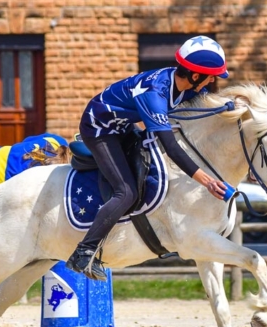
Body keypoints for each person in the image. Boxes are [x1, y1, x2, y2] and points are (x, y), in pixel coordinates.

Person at [66, 35, 230, 281]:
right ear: (195, 76)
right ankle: (84, 252)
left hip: (122, 126)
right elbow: (172, 148)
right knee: (126, 192)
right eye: (211, 76)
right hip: (100, 129)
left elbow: (202, 115)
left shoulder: (186, 86)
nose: (214, 81)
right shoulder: (156, 95)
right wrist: (206, 181)